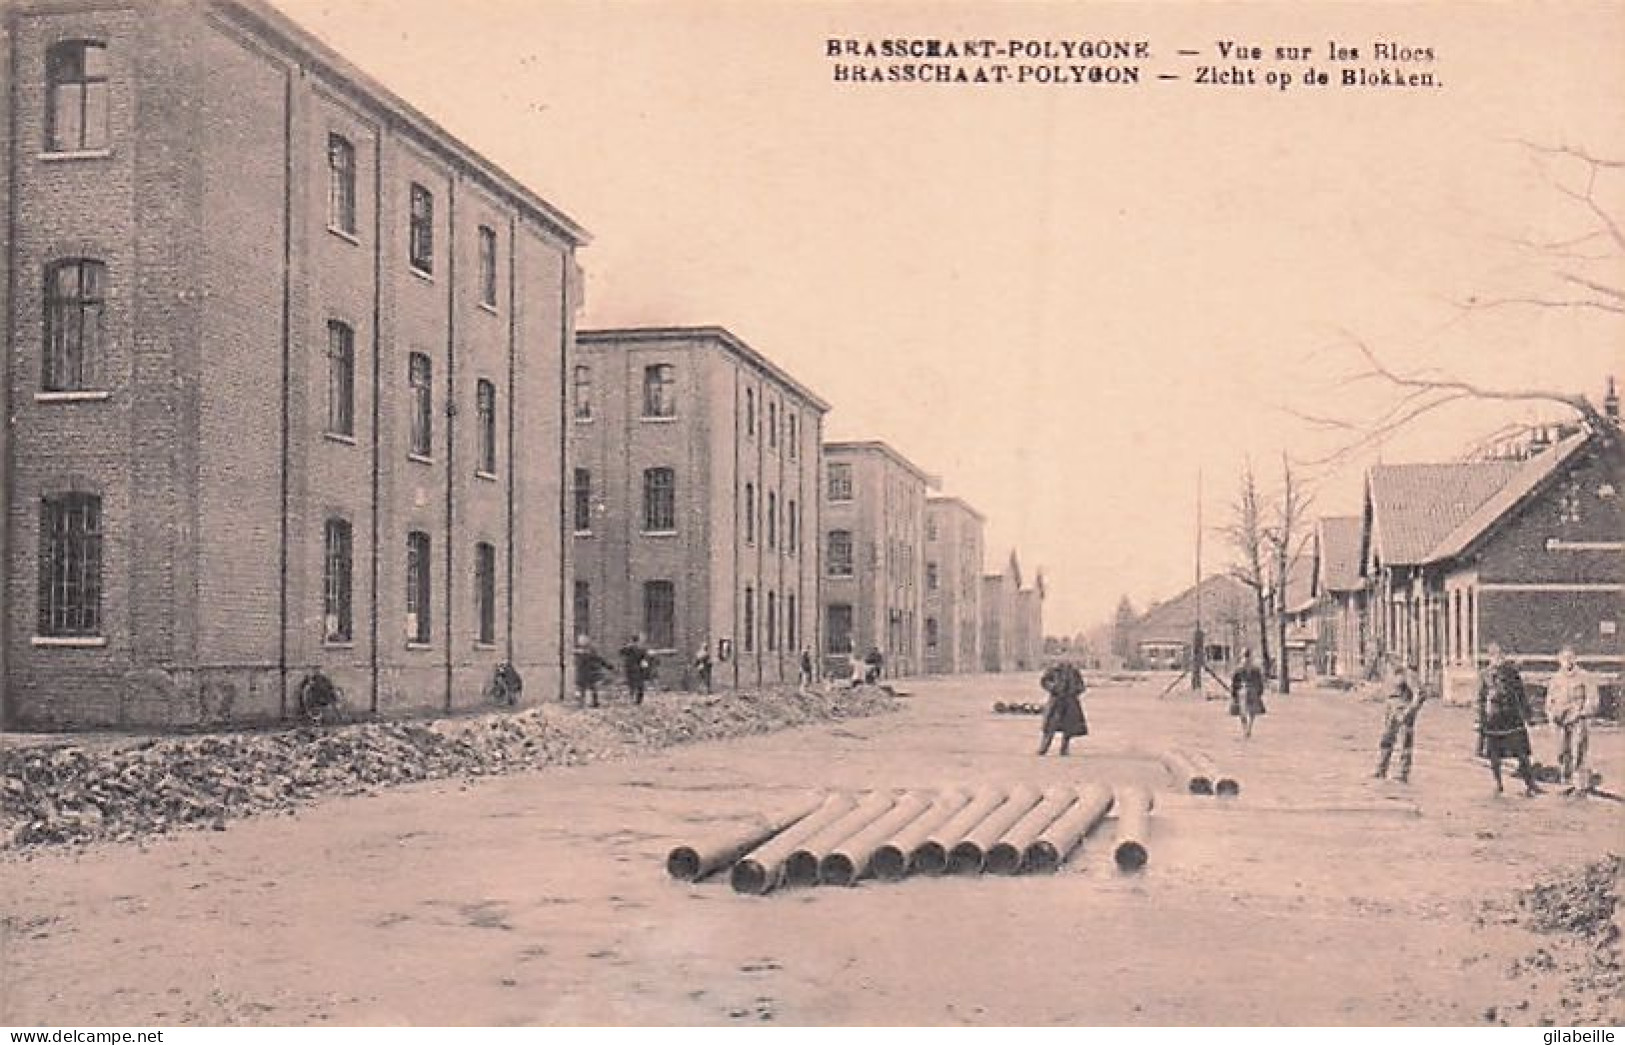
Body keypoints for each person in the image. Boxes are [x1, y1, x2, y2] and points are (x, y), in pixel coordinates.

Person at [1477, 643, 1541, 797]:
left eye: (1501, 655)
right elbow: (1480, 698)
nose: (1498, 659)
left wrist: (1528, 715)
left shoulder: (1512, 673)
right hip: (1493, 718)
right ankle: (1497, 783)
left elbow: (1521, 695)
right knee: (1494, 754)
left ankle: (1530, 783)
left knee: (1521, 752)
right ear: (1490, 657)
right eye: (1494, 656)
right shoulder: (1484, 674)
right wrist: (1479, 719)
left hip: (1512, 717)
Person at [1545, 645, 1598, 796]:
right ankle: (1565, 780)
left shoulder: (1585, 677)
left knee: (1578, 750)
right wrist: (1551, 715)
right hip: (1560, 721)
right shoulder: (1555, 678)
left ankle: (1580, 784)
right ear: (1559, 660)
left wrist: (1582, 712)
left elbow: (1592, 699)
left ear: (1575, 659)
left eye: (1570, 658)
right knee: (1562, 751)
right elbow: (1549, 700)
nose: (1567, 661)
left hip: (1578, 720)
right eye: (1564, 659)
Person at [1373, 657, 1427, 783]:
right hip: (1391, 711)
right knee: (1386, 740)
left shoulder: (1408, 674)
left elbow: (1421, 694)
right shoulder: (1390, 676)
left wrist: (1410, 710)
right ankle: (1381, 769)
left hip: (1404, 712)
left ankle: (1403, 773)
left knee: (1405, 744)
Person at [1037, 660, 1088, 756]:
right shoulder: (1053, 669)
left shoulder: (1074, 671)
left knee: (1069, 727)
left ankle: (1064, 749)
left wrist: (1075, 690)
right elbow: (1044, 681)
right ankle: (1044, 747)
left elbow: (1081, 685)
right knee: (1050, 726)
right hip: (1056, 700)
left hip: (1070, 701)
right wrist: (1053, 687)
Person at [1229, 648, 1267, 739]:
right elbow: (1260, 682)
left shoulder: (1240, 669)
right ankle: (1248, 728)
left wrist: (1234, 693)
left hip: (1244, 690)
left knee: (1244, 712)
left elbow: (1234, 683)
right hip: (1250, 690)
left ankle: (1247, 728)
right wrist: (1260, 691)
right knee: (1250, 712)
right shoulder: (1253, 668)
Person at [573, 635, 609, 708]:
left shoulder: (589, 650)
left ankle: (593, 702)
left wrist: (607, 665)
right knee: (581, 687)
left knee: (591, 687)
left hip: (589, 672)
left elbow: (598, 658)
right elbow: (599, 658)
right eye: (581, 641)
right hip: (582, 672)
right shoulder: (579, 650)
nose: (582, 642)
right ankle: (581, 703)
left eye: (583, 641)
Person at [620, 634, 651, 706]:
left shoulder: (632, 648)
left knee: (633, 684)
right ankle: (637, 700)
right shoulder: (640, 648)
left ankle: (634, 699)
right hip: (637, 669)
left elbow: (621, 652)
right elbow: (645, 658)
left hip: (632, 669)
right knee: (638, 684)